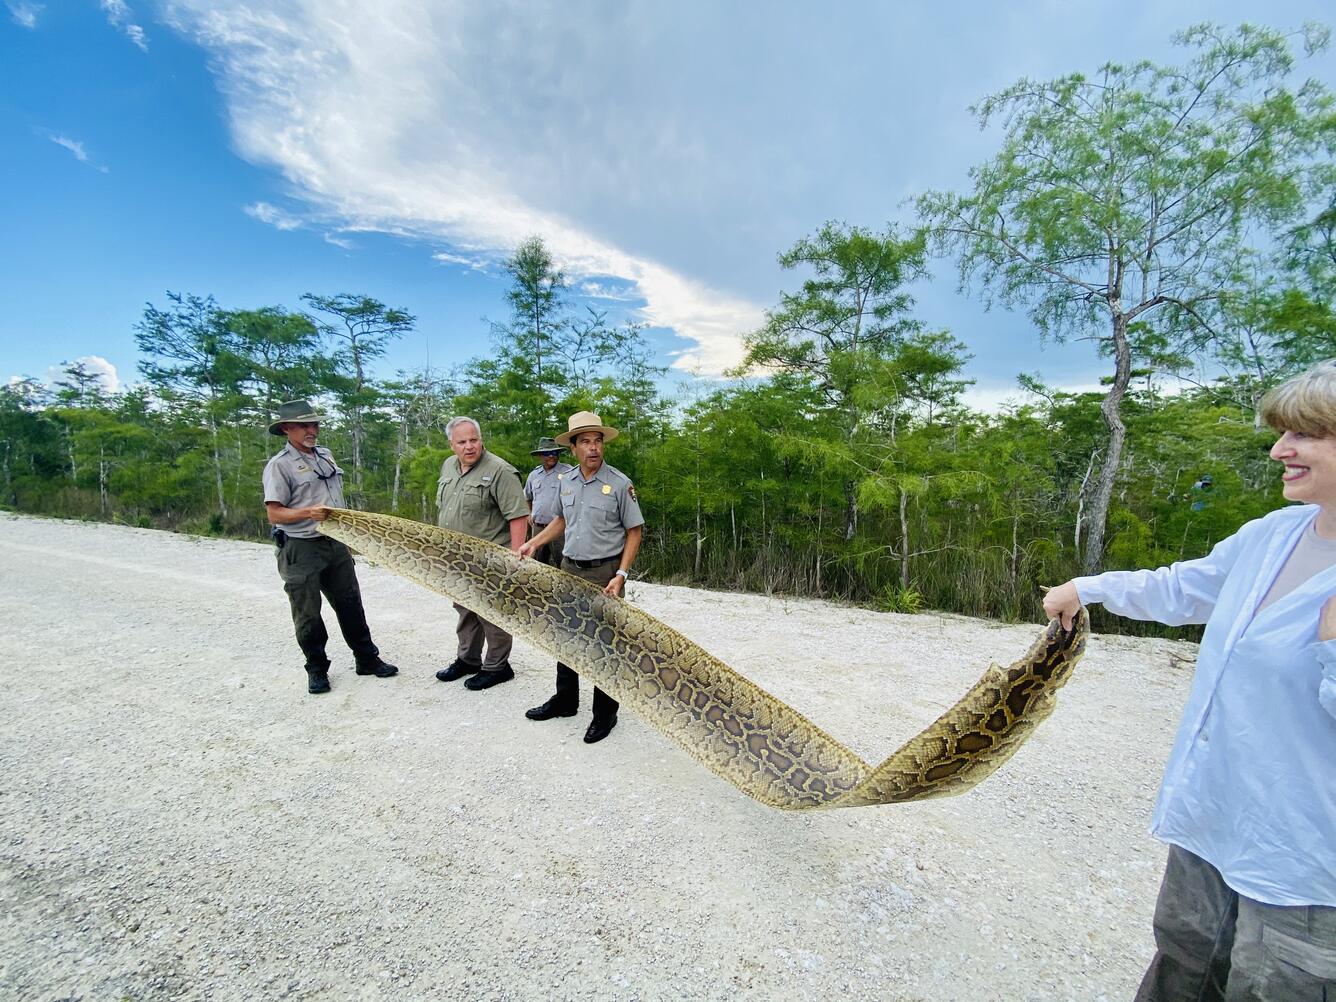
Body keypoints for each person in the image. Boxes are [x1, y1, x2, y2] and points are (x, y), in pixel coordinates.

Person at [1043, 360, 1336, 1002]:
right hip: (1212, 821)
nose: (1279, 449)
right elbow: (1185, 588)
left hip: (1303, 865)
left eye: (1306, 436)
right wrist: (1087, 587)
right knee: (1183, 967)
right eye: (1283, 433)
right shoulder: (1275, 534)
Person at [520, 410, 644, 744]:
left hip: (606, 572)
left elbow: (635, 532)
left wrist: (621, 573)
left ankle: (605, 715)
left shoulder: (619, 483)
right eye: (585, 442)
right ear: (573, 447)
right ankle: (565, 701)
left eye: (597, 441)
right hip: (568, 567)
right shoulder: (567, 481)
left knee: (605, 644)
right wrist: (533, 542)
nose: (593, 448)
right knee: (567, 636)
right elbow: (561, 521)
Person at [261, 399, 398, 695]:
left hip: (335, 542)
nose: (312, 430)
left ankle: (367, 659)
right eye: (304, 425)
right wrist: (307, 512)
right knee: (307, 612)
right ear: (287, 428)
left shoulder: (325, 455)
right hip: (300, 547)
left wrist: (347, 539)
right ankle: (316, 668)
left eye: (315, 424)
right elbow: (274, 513)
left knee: (350, 603)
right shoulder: (279, 466)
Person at [434, 416, 529, 690]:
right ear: (452, 444)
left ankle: (497, 666)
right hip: (456, 558)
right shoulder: (448, 467)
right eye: (462, 442)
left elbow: (518, 516)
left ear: (481, 439)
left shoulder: (500, 471)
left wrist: (515, 558)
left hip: (490, 560)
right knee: (464, 610)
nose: (469, 446)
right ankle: (468, 659)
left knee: (492, 612)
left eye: (473, 440)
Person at [523, 436, 574, 568]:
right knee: (536, 564)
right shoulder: (534, 475)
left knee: (562, 563)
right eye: (547, 453)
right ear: (540, 455)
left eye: (554, 452)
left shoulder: (568, 472)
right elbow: (527, 497)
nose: (551, 456)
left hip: (560, 528)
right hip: (538, 527)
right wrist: (529, 514)